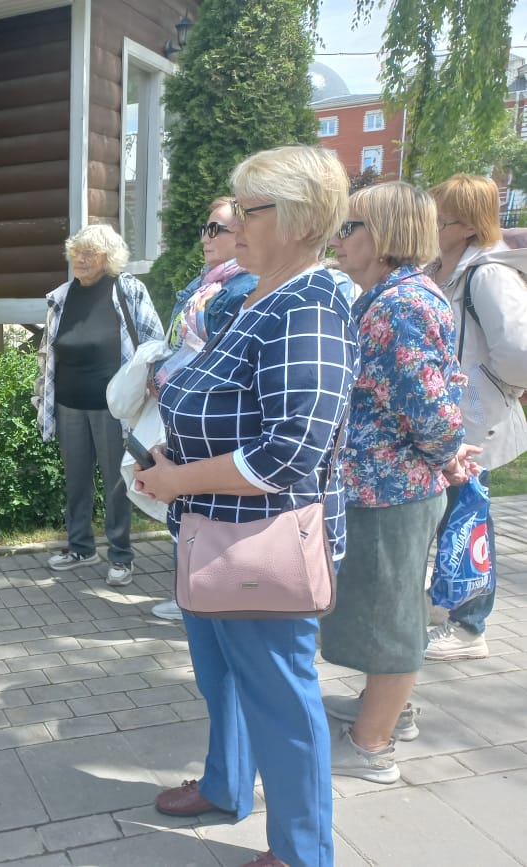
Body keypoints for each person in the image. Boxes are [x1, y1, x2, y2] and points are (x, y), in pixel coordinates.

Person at [134, 145, 358, 867]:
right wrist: (170, 458)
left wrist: (181, 479)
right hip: (213, 529)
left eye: (247, 211)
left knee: (281, 698)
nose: (232, 226)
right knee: (223, 677)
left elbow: (290, 450)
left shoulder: (310, 306)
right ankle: (227, 784)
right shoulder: (260, 295)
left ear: (295, 220)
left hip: (264, 542)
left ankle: (301, 851)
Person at [321, 182, 467, 784]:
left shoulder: (399, 304)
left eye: (348, 227)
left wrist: (447, 455)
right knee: (383, 608)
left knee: (393, 616)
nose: (337, 239)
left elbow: (433, 413)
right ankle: (384, 711)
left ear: (382, 235)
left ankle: (372, 745)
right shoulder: (390, 297)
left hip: (391, 491)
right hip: (384, 486)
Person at [425, 174, 527, 660]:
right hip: (450, 421)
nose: (429, 225)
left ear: (466, 226)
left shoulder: (487, 275)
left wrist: (487, 389)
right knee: (451, 516)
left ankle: (470, 628)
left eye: (438, 219)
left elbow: (520, 353)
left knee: (468, 518)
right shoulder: (441, 269)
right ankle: (450, 602)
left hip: (474, 423)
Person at [34, 224, 163, 587]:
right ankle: (80, 547)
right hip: (69, 404)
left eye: (90, 252)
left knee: (115, 480)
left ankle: (120, 555)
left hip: (113, 408)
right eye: (77, 251)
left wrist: (151, 382)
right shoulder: (62, 297)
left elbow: (153, 339)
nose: (80, 258)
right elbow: (49, 351)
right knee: (75, 479)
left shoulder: (127, 290)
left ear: (109, 258)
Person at [148, 199, 258, 617]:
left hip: (210, 409)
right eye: (205, 229)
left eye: (217, 230)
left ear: (242, 233)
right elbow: (179, 341)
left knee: (204, 502)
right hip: (182, 400)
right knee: (187, 504)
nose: (206, 238)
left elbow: (214, 355)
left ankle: (204, 593)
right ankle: (192, 591)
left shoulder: (245, 287)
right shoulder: (205, 283)